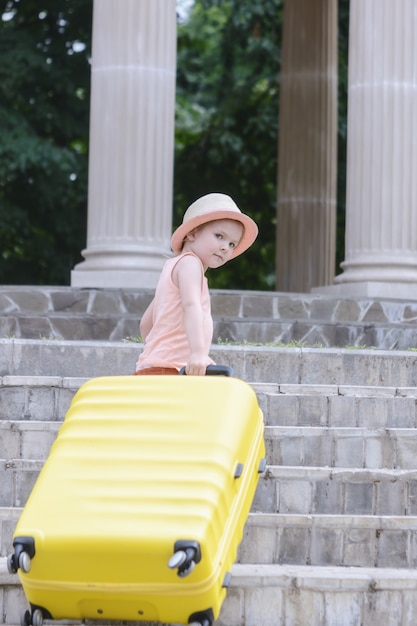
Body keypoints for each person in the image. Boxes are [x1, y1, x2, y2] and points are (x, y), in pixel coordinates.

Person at [134, 192, 258, 376]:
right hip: (171, 370)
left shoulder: (174, 267)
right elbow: (191, 306)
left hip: (158, 366)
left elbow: (146, 323)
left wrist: (156, 354)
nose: (225, 247)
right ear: (192, 233)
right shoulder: (190, 264)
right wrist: (198, 354)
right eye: (219, 236)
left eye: (232, 244)